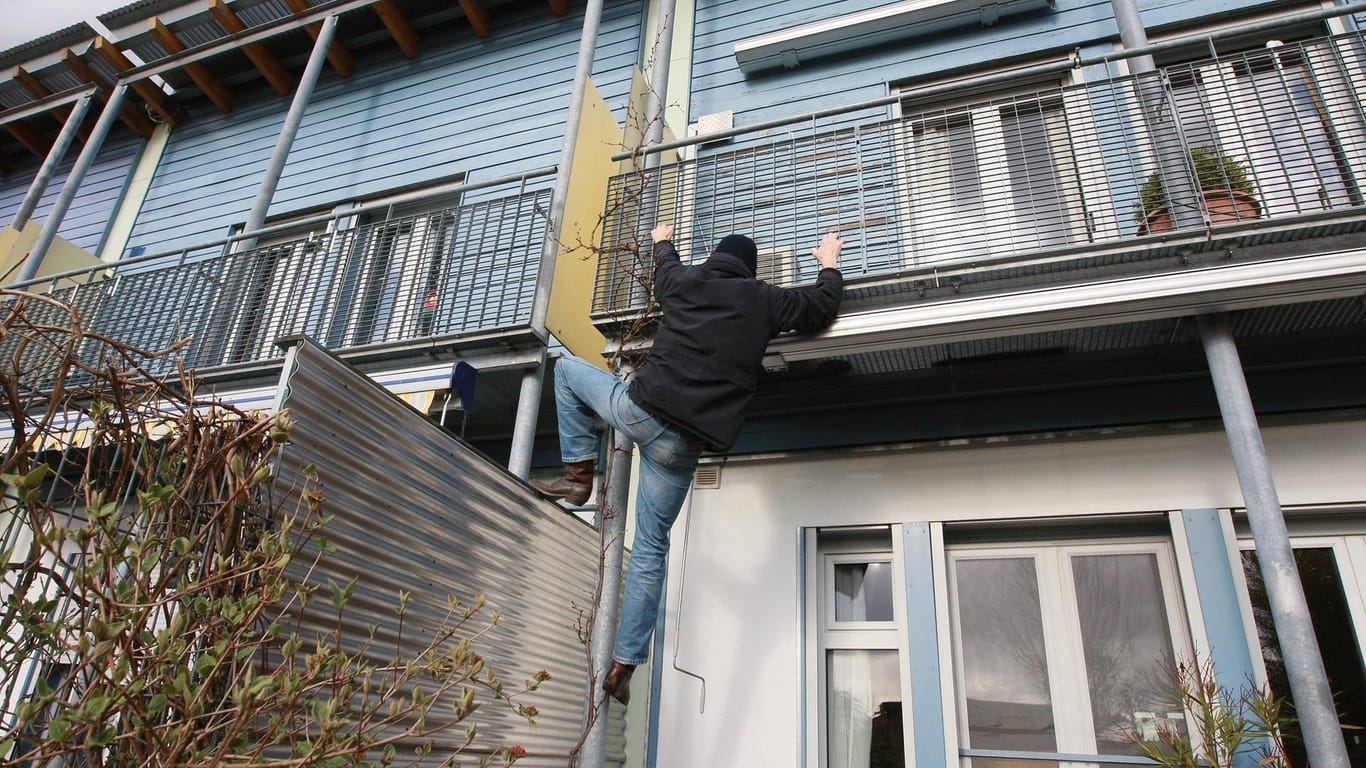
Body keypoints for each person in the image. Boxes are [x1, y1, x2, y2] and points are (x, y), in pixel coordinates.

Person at [531, 224, 845, 705]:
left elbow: (665, 272)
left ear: (716, 258)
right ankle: (623, 664)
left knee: (569, 370)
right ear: (750, 269)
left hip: (641, 414)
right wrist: (828, 260)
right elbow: (820, 308)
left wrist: (661, 237)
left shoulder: (687, 282)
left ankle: (578, 475)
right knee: (651, 550)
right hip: (681, 449)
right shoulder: (764, 299)